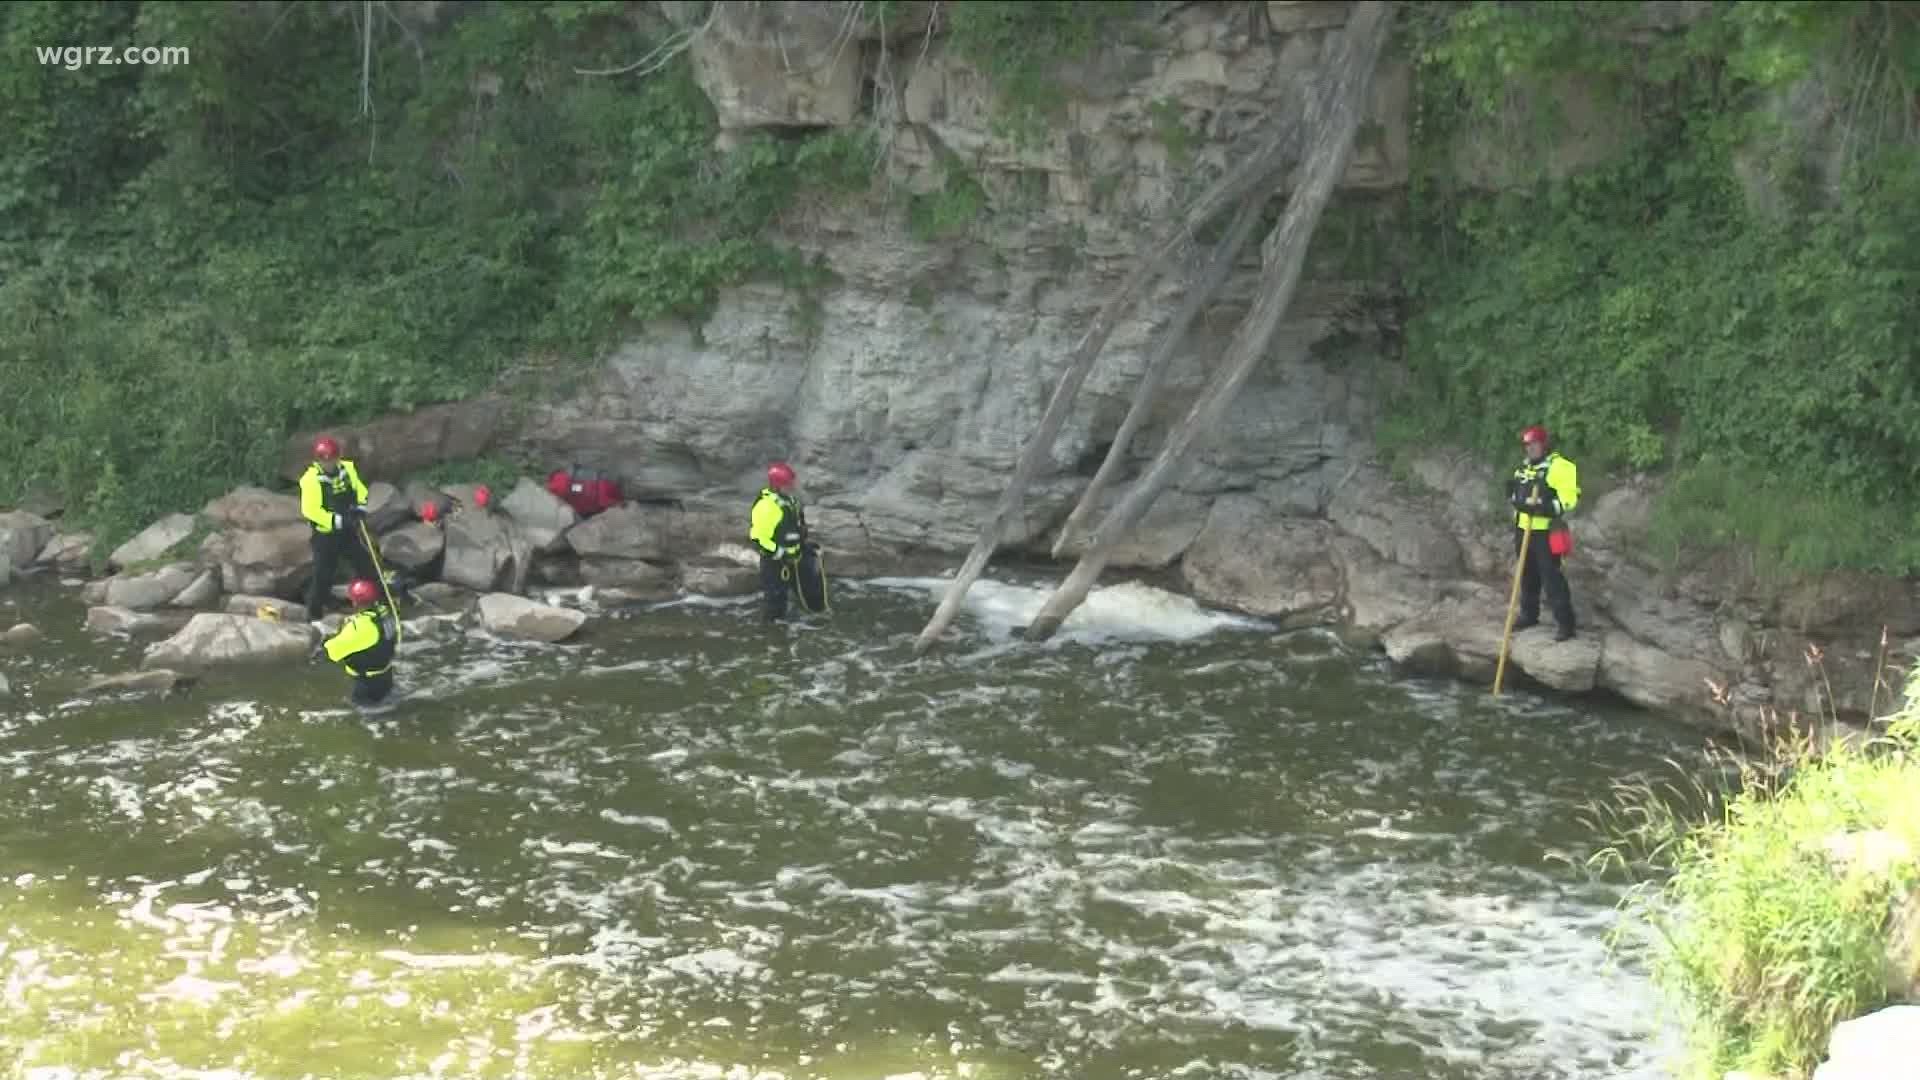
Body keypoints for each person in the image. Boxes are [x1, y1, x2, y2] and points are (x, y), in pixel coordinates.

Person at [1508, 424, 1580, 641]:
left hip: (1546, 532)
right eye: (1527, 445)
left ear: (1545, 444)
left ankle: (1565, 624)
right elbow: (1515, 496)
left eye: (1535, 445)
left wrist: (1545, 507)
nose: (1530, 449)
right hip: (1523, 529)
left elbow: (1570, 498)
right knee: (1527, 575)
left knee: (1551, 578)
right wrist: (1515, 500)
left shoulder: (1561, 467)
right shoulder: (1523, 469)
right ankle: (1529, 615)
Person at [298, 435, 377, 621]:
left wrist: (360, 508)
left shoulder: (347, 469)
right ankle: (314, 614)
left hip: (348, 531)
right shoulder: (311, 479)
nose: (329, 464)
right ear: (318, 460)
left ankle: (376, 603)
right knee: (323, 574)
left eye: (332, 459)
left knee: (365, 565)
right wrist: (338, 521)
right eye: (324, 460)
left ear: (338, 457)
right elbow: (311, 510)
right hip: (326, 535)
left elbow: (360, 490)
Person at [319, 578, 398, 707]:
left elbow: (331, 652)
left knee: (365, 713)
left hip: (367, 685)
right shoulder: (385, 613)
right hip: (386, 675)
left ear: (354, 602)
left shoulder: (359, 628)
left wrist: (325, 641)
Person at [748, 461, 808, 623]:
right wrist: (779, 553)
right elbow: (758, 537)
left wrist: (803, 546)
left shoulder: (791, 501)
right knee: (774, 599)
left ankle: (783, 626)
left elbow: (796, 528)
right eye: (789, 483)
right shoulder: (766, 506)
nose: (793, 486)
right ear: (778, 485)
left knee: (784, 597)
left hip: (791, 559)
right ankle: (769, 632)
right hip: (773, 562)